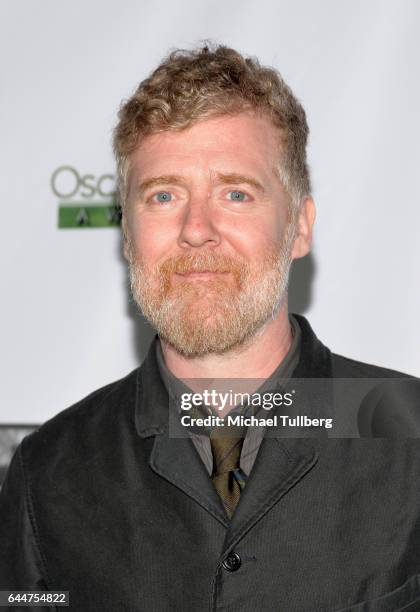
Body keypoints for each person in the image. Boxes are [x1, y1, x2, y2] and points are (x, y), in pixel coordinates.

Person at [1, 44, 420, 611]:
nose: (196, 229)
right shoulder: (47, 473)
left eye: (236, 193)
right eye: (165, 195)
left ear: (299, 226)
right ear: (127, 235)